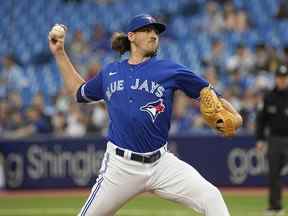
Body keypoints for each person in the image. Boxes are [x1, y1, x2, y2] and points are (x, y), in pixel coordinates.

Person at [48, 14, 242, 216]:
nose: (154, 35)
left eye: (156, 32)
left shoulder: (169, 69)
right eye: (147, 30)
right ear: (131, 36)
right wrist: (60, 52)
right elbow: (78, 91)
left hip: (161, 164)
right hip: (121, 167)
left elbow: (210, 95)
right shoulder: (110, 72)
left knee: (211, 197)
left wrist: (236, 116)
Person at [256, 65, 288, 216]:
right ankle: (275, 206)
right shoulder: (269, 96)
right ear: (276, 78)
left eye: (284, 77)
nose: (282, 80)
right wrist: (260, 139)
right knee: (274, 174)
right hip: (274, 139)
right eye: (280, 77)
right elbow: (261, 120)